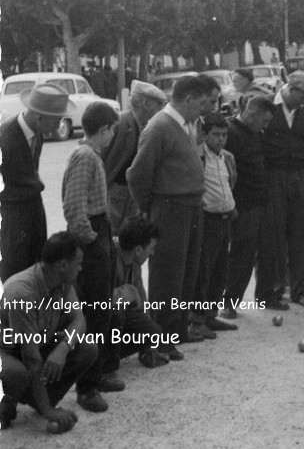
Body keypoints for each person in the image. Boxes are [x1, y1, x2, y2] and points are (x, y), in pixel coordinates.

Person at [127, 75, 209, 349]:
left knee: (188, 271)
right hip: (170, 208)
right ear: (187, 99)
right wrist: (149, 208)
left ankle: (178, 329)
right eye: (200, 102)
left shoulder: (188, 124)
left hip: (191, 206)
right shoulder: (159, 126)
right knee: (168, 276)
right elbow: (137, 174)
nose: (203, 108)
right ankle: (161, 338)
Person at [0, 233, 97, 433]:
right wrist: (48, 412)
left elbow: (79, 320)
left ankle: (40, 398)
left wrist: (62, 349)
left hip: (33, 346)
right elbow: (31, 358)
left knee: (87, 348)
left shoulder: (62, 281)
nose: (80, 269)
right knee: (16, 372)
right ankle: (9, 400)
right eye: (78, 264)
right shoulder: (21, 292)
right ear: (62, 265)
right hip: (8, 353)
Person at [62, 101, 120, 412]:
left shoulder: (91, 155)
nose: (113, 137)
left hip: (100, 232)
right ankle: (86, 388)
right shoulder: (85, 157)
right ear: (104, 129)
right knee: (94, 313)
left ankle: (97, 374)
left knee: (102, 311)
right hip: (91, 239)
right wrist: (92, 240)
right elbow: (74, 207)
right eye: (112, 130)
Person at [0, 83, 73, 281]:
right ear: (39, 118)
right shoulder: (6, 139)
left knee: (36, 268)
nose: (58, 127)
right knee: (16, 274)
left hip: (32, 210)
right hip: (13, 217)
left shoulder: (37, 134)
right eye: (55, 121)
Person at [259, 70, 304, 309]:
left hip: (300, 177)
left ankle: (302, 290)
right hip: (273, 177)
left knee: (301, 235)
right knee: (273, 235)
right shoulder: (266, 107)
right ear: (290, 89)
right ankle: (274, 288)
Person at [221, 96, 276, 318]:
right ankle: (229, 303)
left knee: (264, 250)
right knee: (241, 254)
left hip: (261, 201)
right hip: (242, 204)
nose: (266, 126)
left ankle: (264, 296)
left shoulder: (256, 133)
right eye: (264, 121)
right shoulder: (231, 133)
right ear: (252, 114)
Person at [106, 216, 176, 370]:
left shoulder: (134, 262)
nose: (152, 253)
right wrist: (128, 292)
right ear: (138, 249)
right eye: (151, 248)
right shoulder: (108, 259)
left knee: (153, 332)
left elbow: (141, 301)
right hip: (100, 318)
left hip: (120, 316)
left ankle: (112, 354)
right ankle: (104, 363)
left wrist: (149, 344)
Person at [192, 114, 238, 334]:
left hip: (225, 217)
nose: (221, 139)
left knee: (221, 269)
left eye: (224, 135)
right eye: (216, 135)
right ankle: (197, 319)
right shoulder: (198, 156)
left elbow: (231, 182)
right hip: (207, 219)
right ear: (205, 134)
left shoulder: (227, 157)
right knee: (204, 269)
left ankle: (211, 314)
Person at [102, 80, 167, 234]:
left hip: (130, 194)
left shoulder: (145, 125)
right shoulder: (121, 123)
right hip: (116, 191)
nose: (161, 109)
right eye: (158, 104)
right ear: (145, 103)